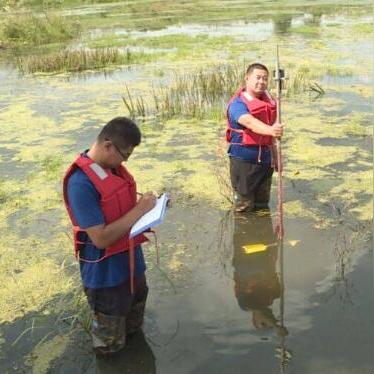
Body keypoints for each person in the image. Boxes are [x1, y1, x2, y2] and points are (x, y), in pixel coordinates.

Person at [63, 117, 157, 356]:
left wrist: (154, 208)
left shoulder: (112, 169)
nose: (125, 161)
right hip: (107, 279)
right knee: (110, 348)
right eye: (124, 155)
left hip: (133, 268)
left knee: (135, 331)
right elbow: (101, 238)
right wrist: (141, 209)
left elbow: (121, 209)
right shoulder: (80, 183)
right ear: (107, 145)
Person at [226, 63, 284, 212]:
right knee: (244, 207)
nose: (261, 82)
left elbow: (272, 138)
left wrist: (276, 159)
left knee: (262, 206)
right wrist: (271, 130)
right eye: (258, 78)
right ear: (247, 78)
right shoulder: (237, 104)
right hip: (244, 162)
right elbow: (249, 122)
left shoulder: (268, 102)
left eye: (265, 79)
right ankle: (245, 233)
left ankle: (263, 234)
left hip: (265, 162)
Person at [232, 210, 287, 337]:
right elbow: (273, 269)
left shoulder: (246, 304)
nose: (266, 320)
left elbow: (258, 310)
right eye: (265, 323)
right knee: (259, 213)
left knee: (249, 214)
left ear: (254, 319)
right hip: (264, 249)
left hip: (246, 250)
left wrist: (275, 325)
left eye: (262, 323)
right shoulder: (274, 294)